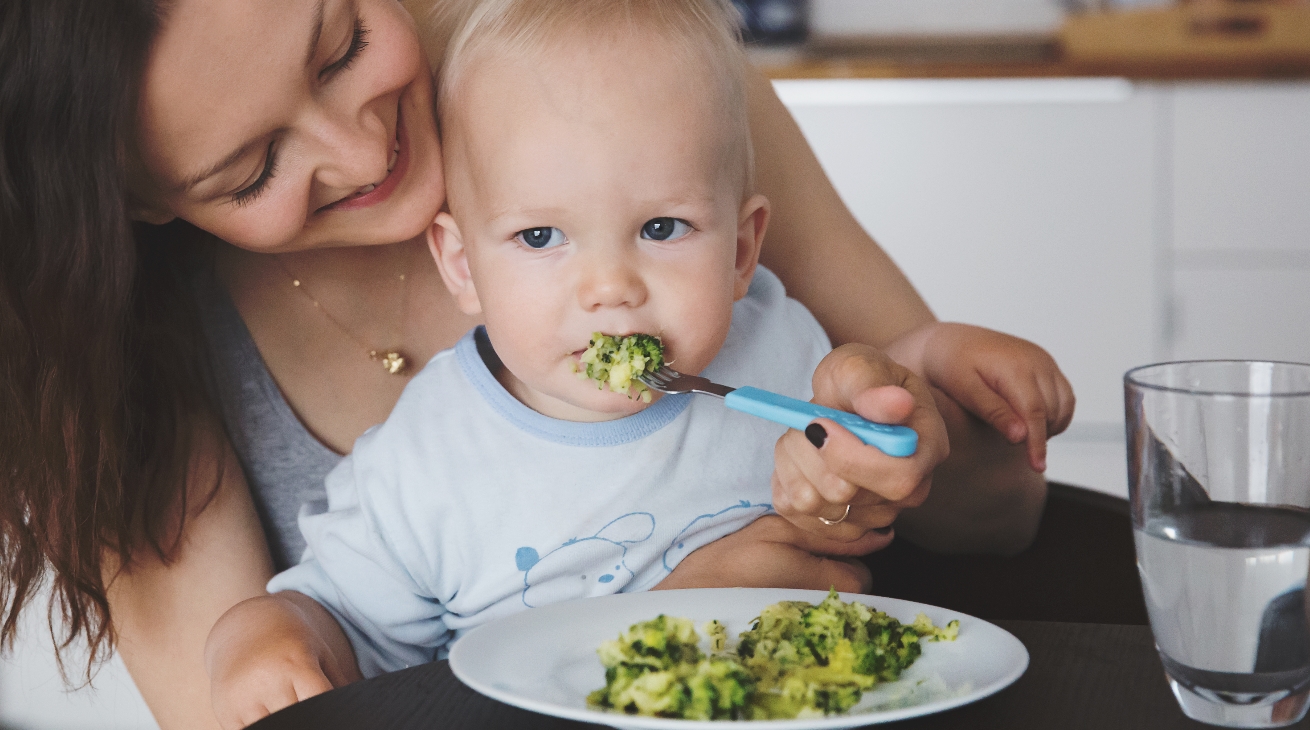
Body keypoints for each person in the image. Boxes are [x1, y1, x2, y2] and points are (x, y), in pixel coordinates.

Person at [0, 0, 1069, 728]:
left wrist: (908, 412)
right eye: (253, 168)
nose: (363, 152)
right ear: (134, 202)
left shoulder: (625, 66)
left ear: (742, 242)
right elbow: (273, 662)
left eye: (339, 46)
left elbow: (990, 503)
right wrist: (645, 639)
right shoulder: (130, 361)